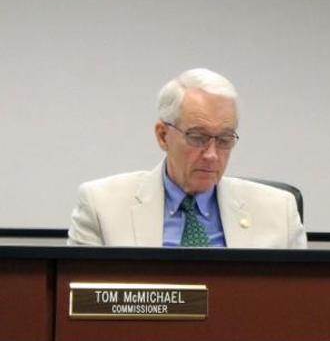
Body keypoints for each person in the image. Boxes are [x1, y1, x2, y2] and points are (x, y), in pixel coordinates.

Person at [67, 68, 307, 249]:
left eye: (224, 140)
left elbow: (297, 298)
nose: (212, 155)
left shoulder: (279, 212)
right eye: (197, 137)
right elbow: (82, 297)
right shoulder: (102, 207)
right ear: (163, 136)